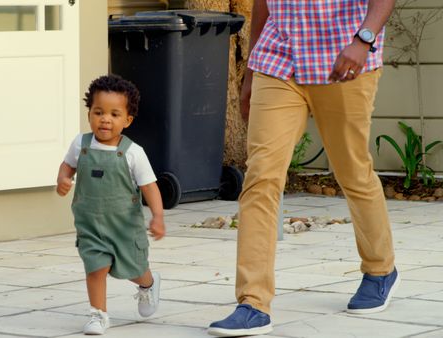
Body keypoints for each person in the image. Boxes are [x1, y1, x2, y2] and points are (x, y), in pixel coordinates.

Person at [208, 1, 399, 336]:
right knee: (261, 177)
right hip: (278, 61)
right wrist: (252, 71)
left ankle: (380, 269)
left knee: (351, 171)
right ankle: (252, 302)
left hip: (345, 57)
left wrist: (363, 39)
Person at [56, 74, 166, 335]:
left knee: (133, 270)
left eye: (114, 114)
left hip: (124, 227)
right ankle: (98, 315)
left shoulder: (132, 152)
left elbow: (150, 186)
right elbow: (68, 165)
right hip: (90, 225)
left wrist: (158, 216)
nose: (105, 119)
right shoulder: (80, 144)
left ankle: (148, 284)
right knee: (97, 267)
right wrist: (62, 178)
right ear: (89, 114)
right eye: (98, 112)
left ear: (127, 120)